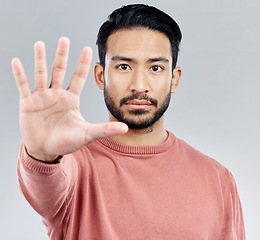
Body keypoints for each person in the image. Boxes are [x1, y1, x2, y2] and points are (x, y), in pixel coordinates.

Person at [11, 4, 245, 240]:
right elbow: (44, 182)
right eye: (124, 66)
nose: (140, 84)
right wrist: (41, 154)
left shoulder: (217, 179)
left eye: (155, 67)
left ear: (174, 79)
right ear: (101, 76)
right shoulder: (72, 167)